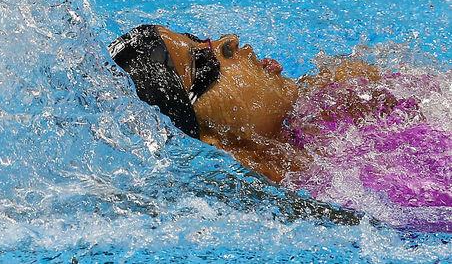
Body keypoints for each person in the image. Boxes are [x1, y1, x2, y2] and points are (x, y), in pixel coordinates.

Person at [108, 25, 451, 229]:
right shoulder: (353, 197)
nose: (228, 40)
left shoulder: (338, 102)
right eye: (204, 62)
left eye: (201, 39)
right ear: (213, 142)